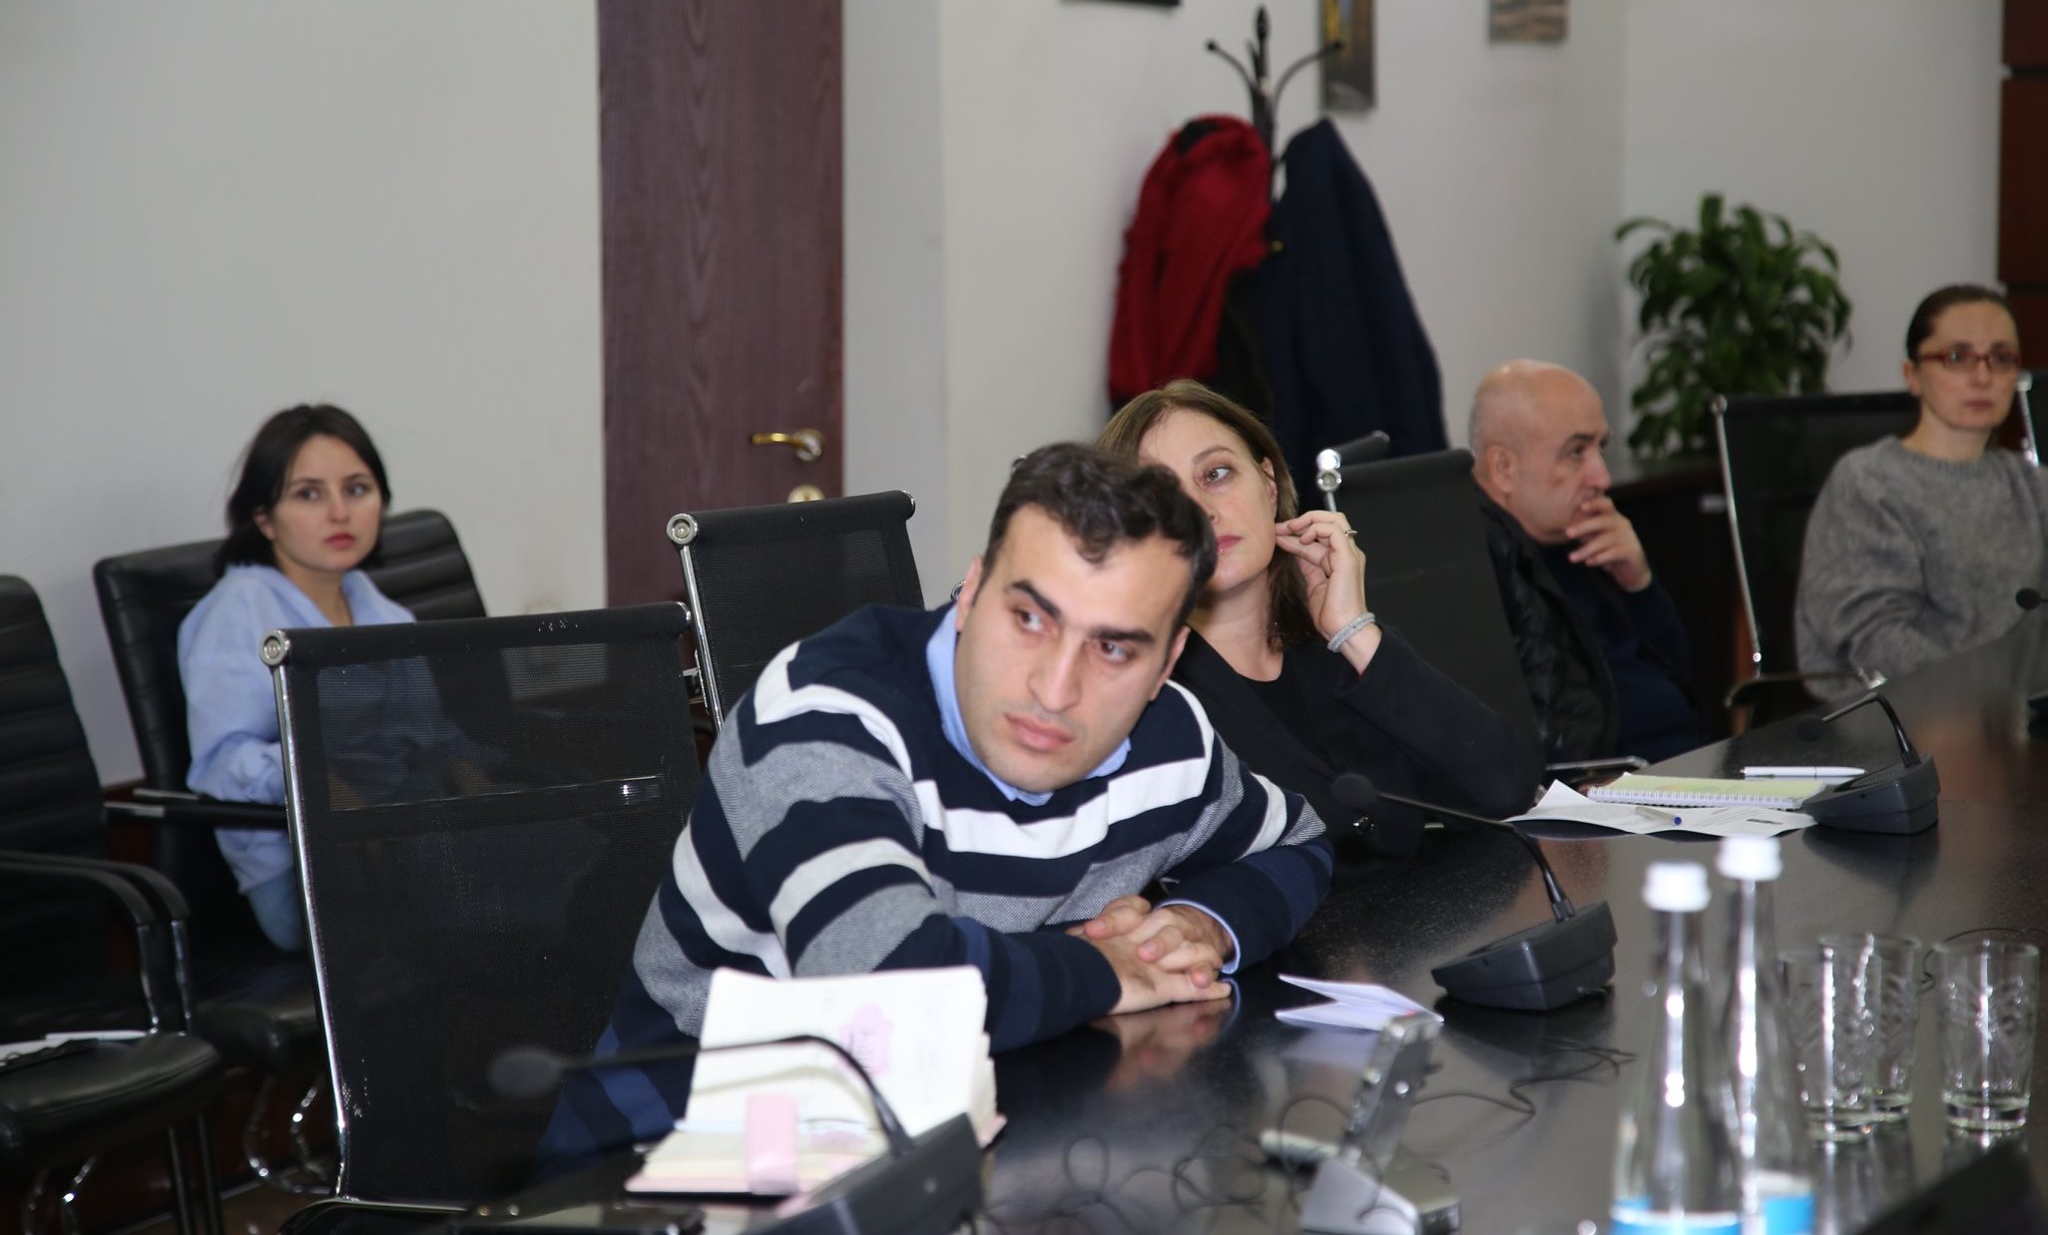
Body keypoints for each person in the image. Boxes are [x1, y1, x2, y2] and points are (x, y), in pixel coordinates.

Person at [551, 443, 1332, 1153]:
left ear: (1167, 662)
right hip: (684, 1154)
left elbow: (1299, 841)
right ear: (970, 592)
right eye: (1029, 618)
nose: (1055, 688)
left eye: (1113, 647)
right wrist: (1102, 967)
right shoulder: (824, 715)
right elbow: (890, 986)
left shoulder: (1170, 736)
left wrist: (1198, 924)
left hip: (980, 1130)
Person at [1099, 380, 1538, 871]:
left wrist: (1354, 630)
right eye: (1163, 496)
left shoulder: (1337, 645)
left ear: (1268, 485)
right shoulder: (1147, 699)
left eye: (1216, 474)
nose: (1202, 511)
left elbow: (1506, 789)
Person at [178, 404, 416, 951]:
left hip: (398, 837)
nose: (340, 512)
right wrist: (320, 784)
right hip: (302, 872)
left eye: (357, 489)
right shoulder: (240, 609)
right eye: (309, 494)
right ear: (264, 518)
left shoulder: (380, 608)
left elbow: (429, 736)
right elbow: (223, 759)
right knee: (496, 898)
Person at [1797, 285, 2048, 686]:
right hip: (1898, 710)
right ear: (1912, 375)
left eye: (2000, 358)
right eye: (1957, 357)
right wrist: (1985, 692)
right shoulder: (1868, 482)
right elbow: (1872, 638)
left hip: (2013, 705)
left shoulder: (2032, 485)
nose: (1982, 377)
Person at [1470, 361, 1701, 763]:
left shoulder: (1584, 536)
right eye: (1576, 452)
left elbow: (1683, 682)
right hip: (1610, 790)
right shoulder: (1476, 569)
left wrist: (1639, 586)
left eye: (1600, 448)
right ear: (1504, 468)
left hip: (1686, 766)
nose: (1602, 477)